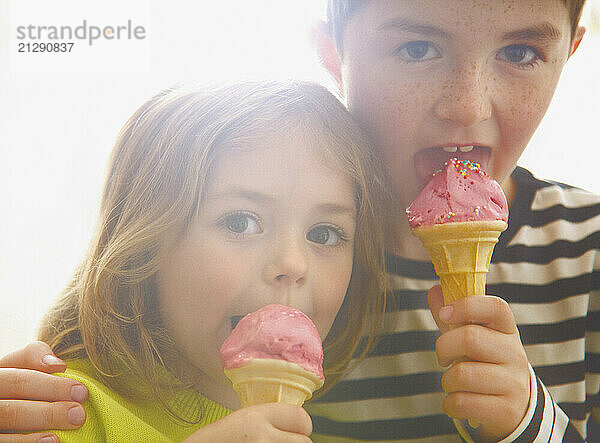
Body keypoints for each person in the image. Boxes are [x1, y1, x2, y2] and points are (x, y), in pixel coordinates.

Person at [2, 0, 599, 441]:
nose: (467, 106)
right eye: (417, 48)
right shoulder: (311, 295)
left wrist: (533, 422)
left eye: (521, 52)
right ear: (333, 56)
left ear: (570, 51)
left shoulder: (589, 251)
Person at [0, 80, 388, 442]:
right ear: (146, 245)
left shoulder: (322, 425)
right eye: (241, 222)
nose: (293, 263)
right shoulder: (58, 414)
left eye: (324, 234)